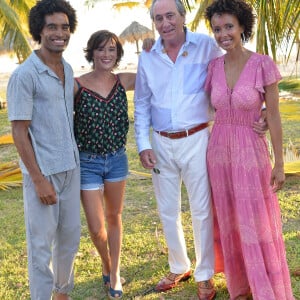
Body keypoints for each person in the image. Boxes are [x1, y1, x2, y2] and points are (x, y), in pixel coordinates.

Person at [204, 0, 295, 299]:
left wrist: (279, 163)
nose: (222, 34)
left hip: (250, 153)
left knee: (256, 220)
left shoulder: (262, 64)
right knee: (229, 218)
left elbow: (276, 114)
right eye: (217, 29)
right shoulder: (213, 67)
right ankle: (240, 287)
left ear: (242, 26)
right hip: (218, 153)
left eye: (228, 26)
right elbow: (208, 108)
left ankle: (265, 287)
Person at [134, 0, 223, 299]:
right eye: (158, 18)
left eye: (170, 15)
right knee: (167, 210)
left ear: (183, 17)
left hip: (197, 139)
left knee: (201, 209)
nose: (165, 23)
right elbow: (142, 102)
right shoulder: (148, 54)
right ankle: (178, 265)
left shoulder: (206, 46)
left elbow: (230, 69)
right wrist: (143, 144)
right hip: (160, 143)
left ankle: (205, 274)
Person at [6, 1, 80, 299]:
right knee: (40, 246)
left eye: (64, 27)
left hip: (71, 169)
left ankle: (62, 293)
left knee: (69, 240)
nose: (59, 33)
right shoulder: (25, 75)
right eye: (52, 27)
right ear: (39, 30)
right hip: (44, 172)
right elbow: (18, 131)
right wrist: (38, 179)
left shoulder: (68, 68)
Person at [73, 30, 135, 299]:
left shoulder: (122, 81)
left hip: (117, 159)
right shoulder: (77, 85)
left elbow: (162, 74)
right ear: (92, 53)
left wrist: (152, 49)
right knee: (97, 228)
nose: (106, 54)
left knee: (114, 218)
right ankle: (107, 264)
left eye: (111, 49)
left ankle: (116, 273)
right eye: (101, 49)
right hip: (87, 162)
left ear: (117, 53)